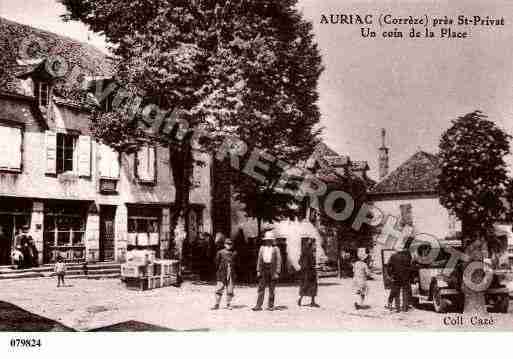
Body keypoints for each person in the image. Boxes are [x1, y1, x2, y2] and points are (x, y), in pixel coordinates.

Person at [252, 231, 282, 311]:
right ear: (265, 240)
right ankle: (258, 305)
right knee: (261, 288)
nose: (268, 241)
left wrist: (277, 272)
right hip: (263, 269)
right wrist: (258, 270)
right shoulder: (262, 248)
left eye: (270, 240)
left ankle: (270, 305)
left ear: (272, 240)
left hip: (272, 269)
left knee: (272, 288)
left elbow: (279, 261)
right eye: (267, 240)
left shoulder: (276, 249)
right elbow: (259, 260)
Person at [387, 237, 414, 312]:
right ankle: (405, 307)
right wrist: (410, 276)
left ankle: (397, 308)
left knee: (396, 293)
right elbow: (411, 266)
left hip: (396, 277)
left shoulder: (393, 256)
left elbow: (389, 267)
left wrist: (390, 275)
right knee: (405, 292)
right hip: (406, 277)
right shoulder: (408, 256)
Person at [211, 238, 238, 310]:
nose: (229, 245)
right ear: (224, 245)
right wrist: (219, 271)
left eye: (230, 244)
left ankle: (228, 304)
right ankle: (217, 304)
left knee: (230, 289)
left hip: (231, 273)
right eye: (227, 244)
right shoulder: (220, 252)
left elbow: (237, 264)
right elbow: (216, 263)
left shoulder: (235, 253)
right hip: (222, 273)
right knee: (219, 288)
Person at [298, 237, 320, 307]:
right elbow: (311, 263)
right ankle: (312, 301)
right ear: (312, 244)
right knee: (313, 286)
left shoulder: (304, 251)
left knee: (304, 285)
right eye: (314, 244)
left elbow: (300, 262)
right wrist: (314, 266)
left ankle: (300, 298)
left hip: (304, 272)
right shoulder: (310, 253)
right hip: (310, 272)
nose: (315, 245)